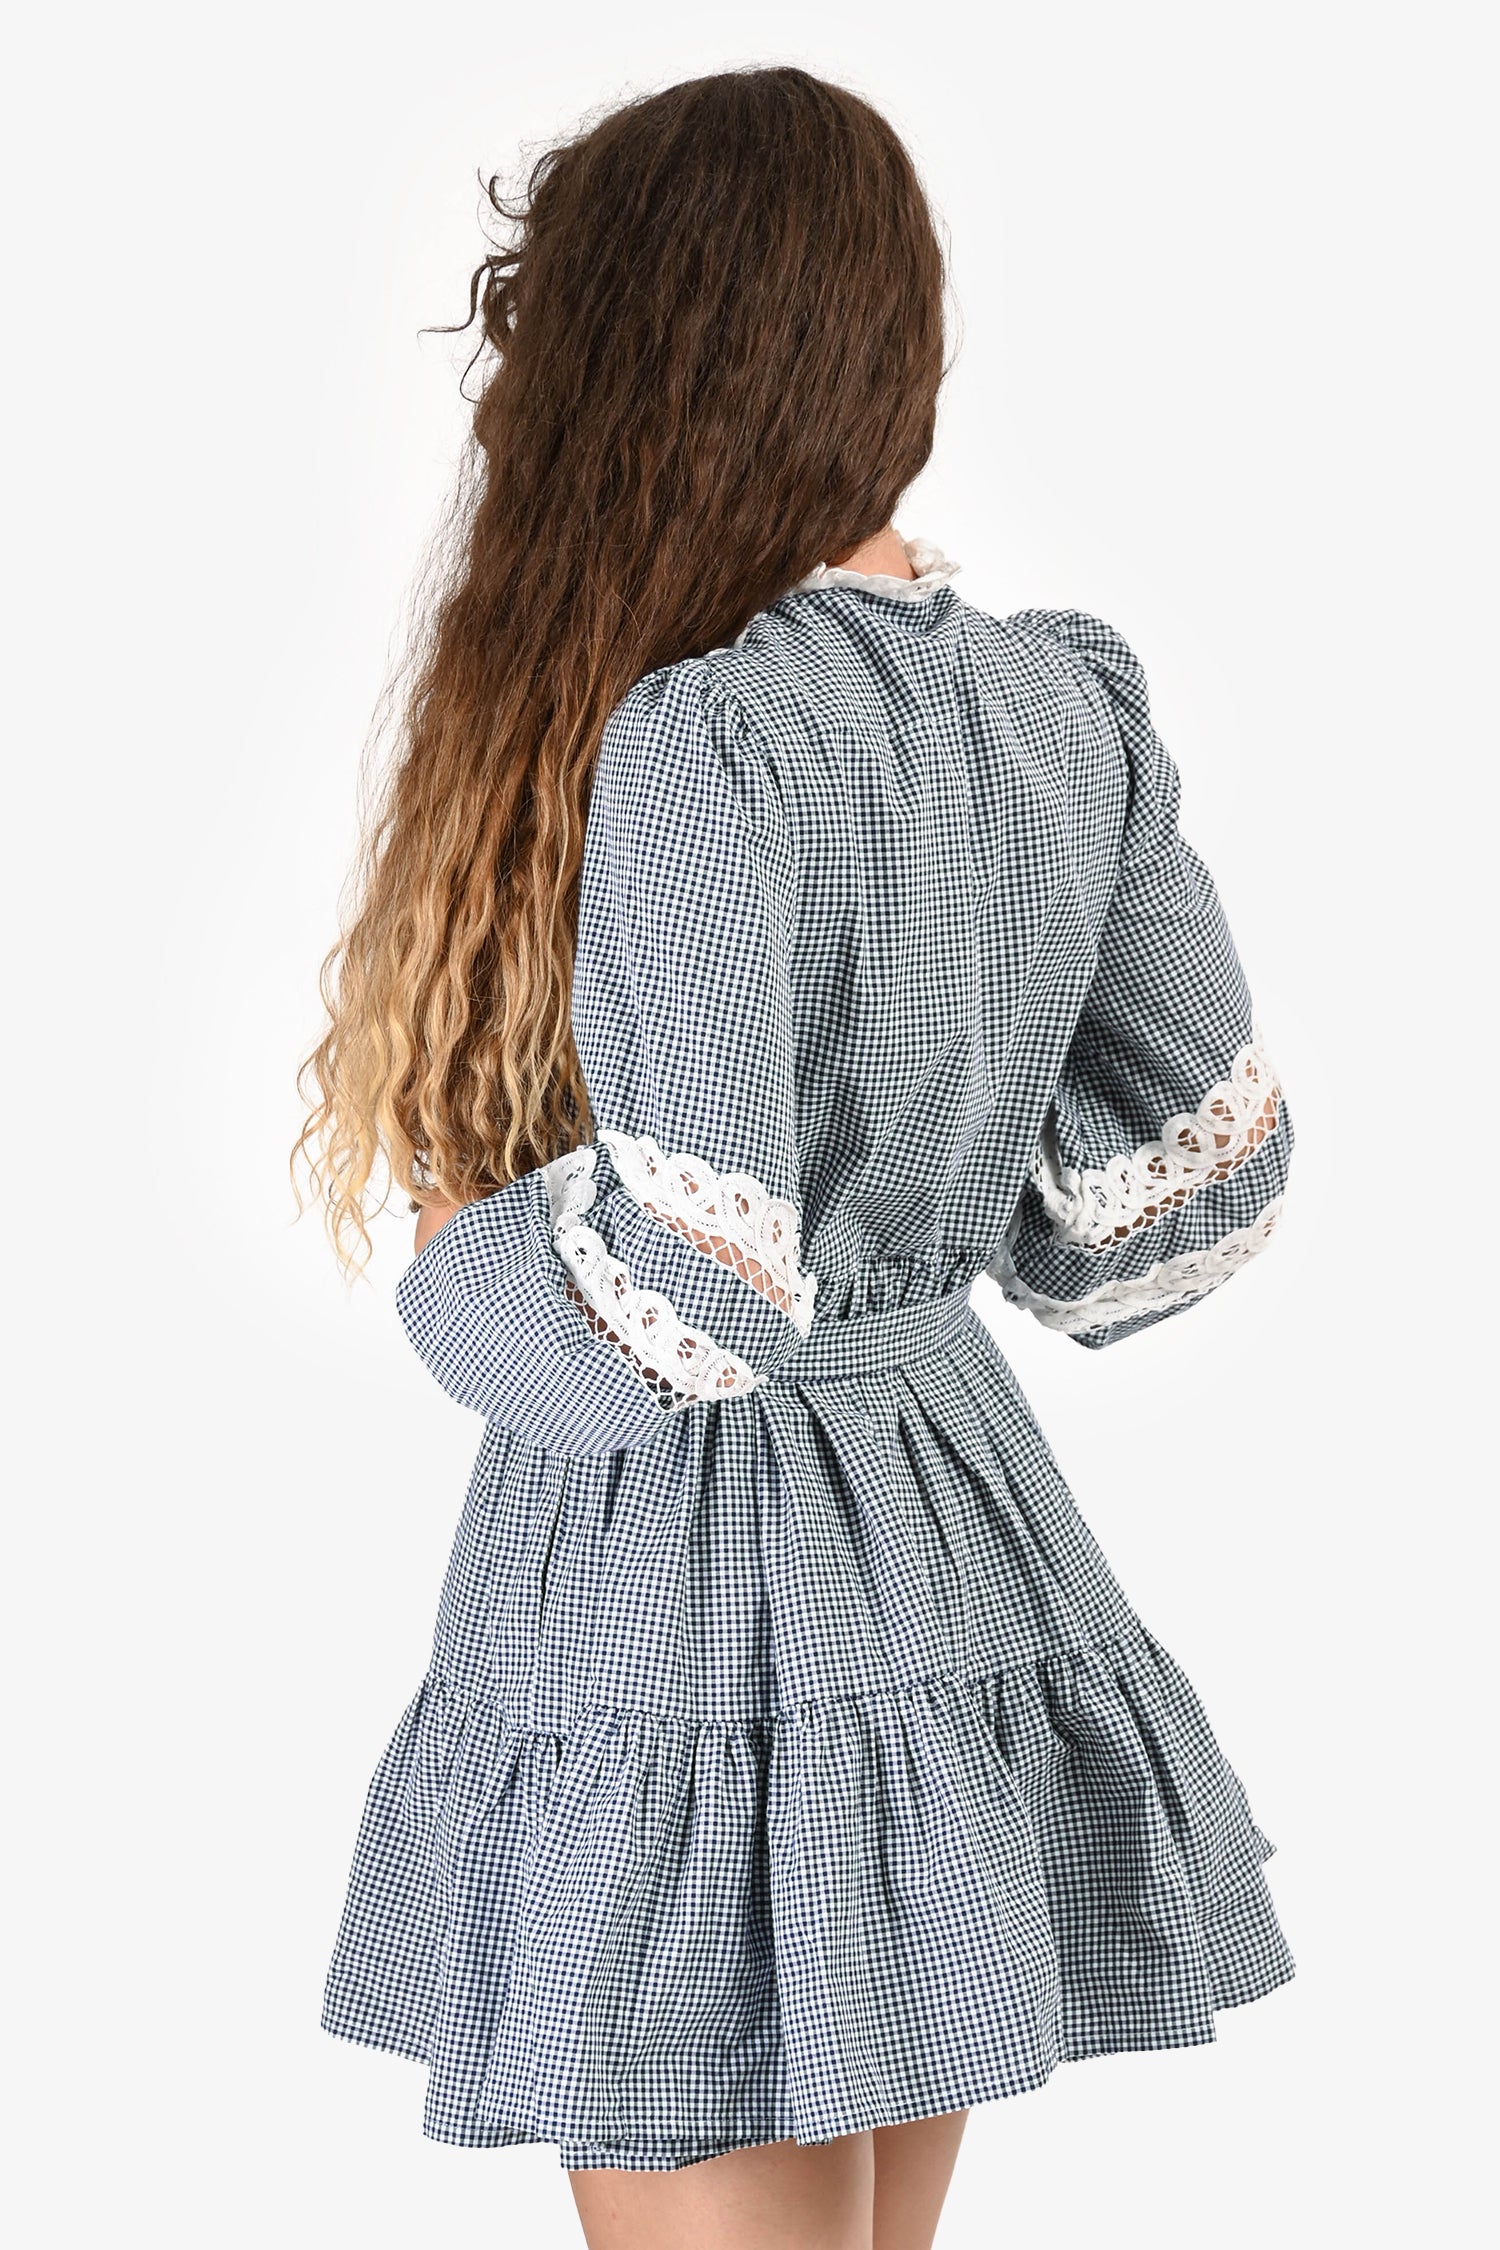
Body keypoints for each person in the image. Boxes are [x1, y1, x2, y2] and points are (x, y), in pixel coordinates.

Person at [294, 64, 1297, 2250]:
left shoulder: (699, 732)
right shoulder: (1065, 703)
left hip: (692, 1584)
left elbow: (695, 1286)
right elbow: (1190, 1190)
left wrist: (464, 1256)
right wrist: (926, 1162)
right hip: (950, 1520)